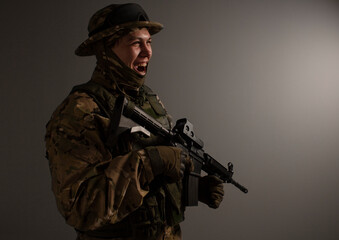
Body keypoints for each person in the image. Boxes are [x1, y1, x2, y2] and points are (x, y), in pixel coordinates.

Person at [45, 3, 224, 240]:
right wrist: (149, 162)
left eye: (148, 42)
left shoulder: (149, 100)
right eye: (135, 43)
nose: (147, 51)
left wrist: (193, 189)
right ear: (106, 50)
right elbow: (80, 209)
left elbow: (155, 184)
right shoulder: (79, 111)